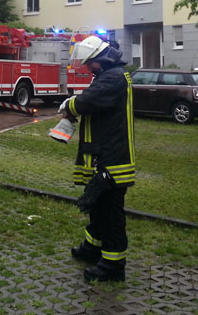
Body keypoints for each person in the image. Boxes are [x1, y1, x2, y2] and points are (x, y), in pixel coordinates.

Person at [57, 36, 134, 282]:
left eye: (91, 63)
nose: (89, 68)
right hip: (102, 157)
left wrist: (70, 104)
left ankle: (113, 265)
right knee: (98, 208)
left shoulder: (114, 78)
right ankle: (92, 249)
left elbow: (87, 101)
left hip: (112, 160)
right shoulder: (106, 77)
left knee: (111, 214)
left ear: (102, 59)